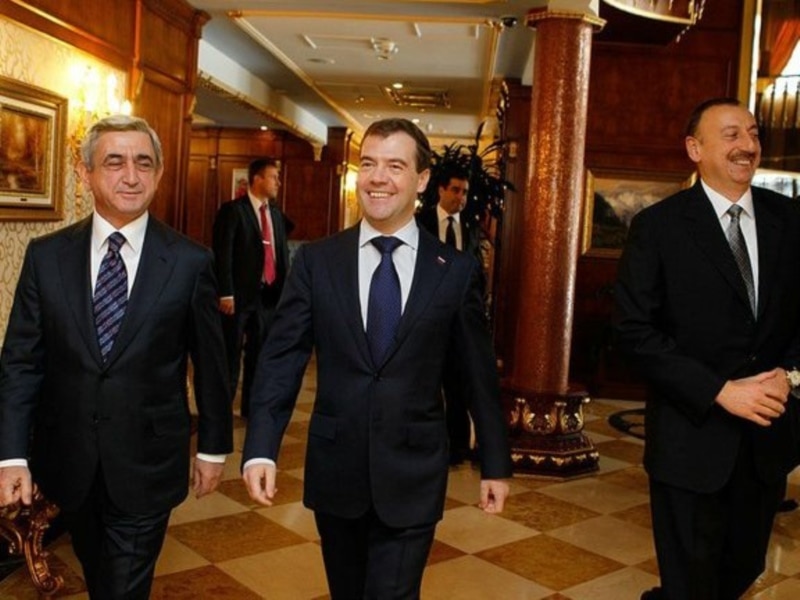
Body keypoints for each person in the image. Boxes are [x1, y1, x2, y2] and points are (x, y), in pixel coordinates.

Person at [242, 118, 512, 599]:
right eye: (368, 164)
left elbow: (476, 372)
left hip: (413, 472)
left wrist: (494, 460)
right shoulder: (318, 262)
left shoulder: (453, 271)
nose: (377, 178)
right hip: (336, 470)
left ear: (421, 180)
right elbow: (281, 359)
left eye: (394, 166)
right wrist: (262, 447)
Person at [0, 115, 233, 599]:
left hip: (148, 462)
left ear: (159, 174)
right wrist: (12, 455)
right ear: (84, 174)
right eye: (114, 162)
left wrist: (213, 447)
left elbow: (212, 365)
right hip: (68, 462)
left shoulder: (190, 262)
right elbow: (22, 363)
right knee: (99, 571)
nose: (131, 176)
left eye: (143, 163)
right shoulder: (47, 256)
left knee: (124, 585)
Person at [613, 97, 800, 600]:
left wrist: (791, 376)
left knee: (742, 569)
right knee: (690, 583)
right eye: (731, 134)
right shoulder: (658, 227)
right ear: (694, 148)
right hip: (690, 440)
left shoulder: (790, 220)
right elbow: (633, 331)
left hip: (766, 443)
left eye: (753, 133)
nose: (747, 145)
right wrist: (719, 391)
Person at [212, 158, 293, 418]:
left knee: (259, 356)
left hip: (267, 298)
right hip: (237, 298)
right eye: (273, 177)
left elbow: (281, 255)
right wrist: (225, 292)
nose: (278, 182)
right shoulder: (233, 211)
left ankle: (251, 408)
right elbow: (223, 254)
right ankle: (221, 412)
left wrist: (285, 294)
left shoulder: (276, 214)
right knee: (230, 355)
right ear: (257, 179)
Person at [416, 166, 482, 464]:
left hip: (459, 319)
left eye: (465, 192)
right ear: (441, 190)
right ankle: (425, 444)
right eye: (455, 190)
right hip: (425, 316)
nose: (461, 197)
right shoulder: (421, 222)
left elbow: (475, 271)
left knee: (458, 384)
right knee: (425, 384)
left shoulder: (471, 226)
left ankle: (457, 448)